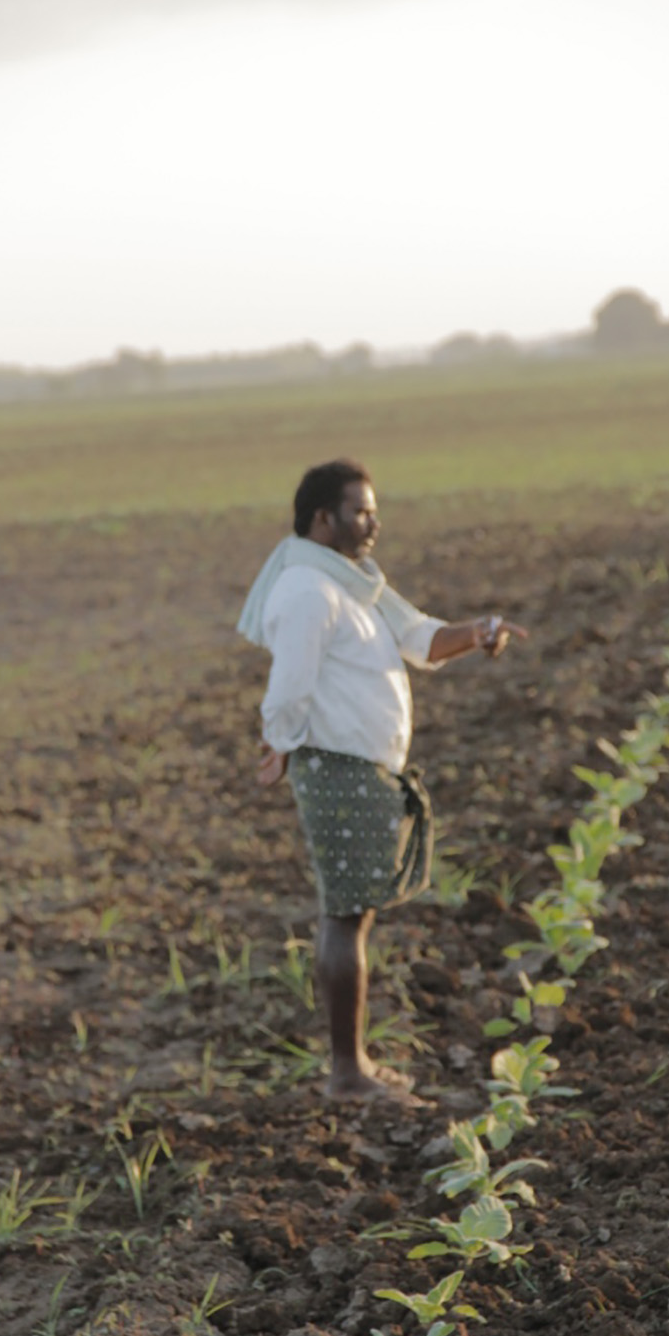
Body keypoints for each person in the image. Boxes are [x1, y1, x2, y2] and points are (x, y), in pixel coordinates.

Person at [238, 459, 526, 1102]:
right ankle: (347, 1074)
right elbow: (289, 684)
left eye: (372, 509)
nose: (373, 522)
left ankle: (354, 1063)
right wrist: (277, 744)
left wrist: (478, 633)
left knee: (354, 915)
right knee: (344, 917)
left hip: (362, 769)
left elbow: (420, 638)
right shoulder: (309, 591)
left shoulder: (354, 588)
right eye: (361, 511)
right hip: (337, 768)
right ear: (323, 518)